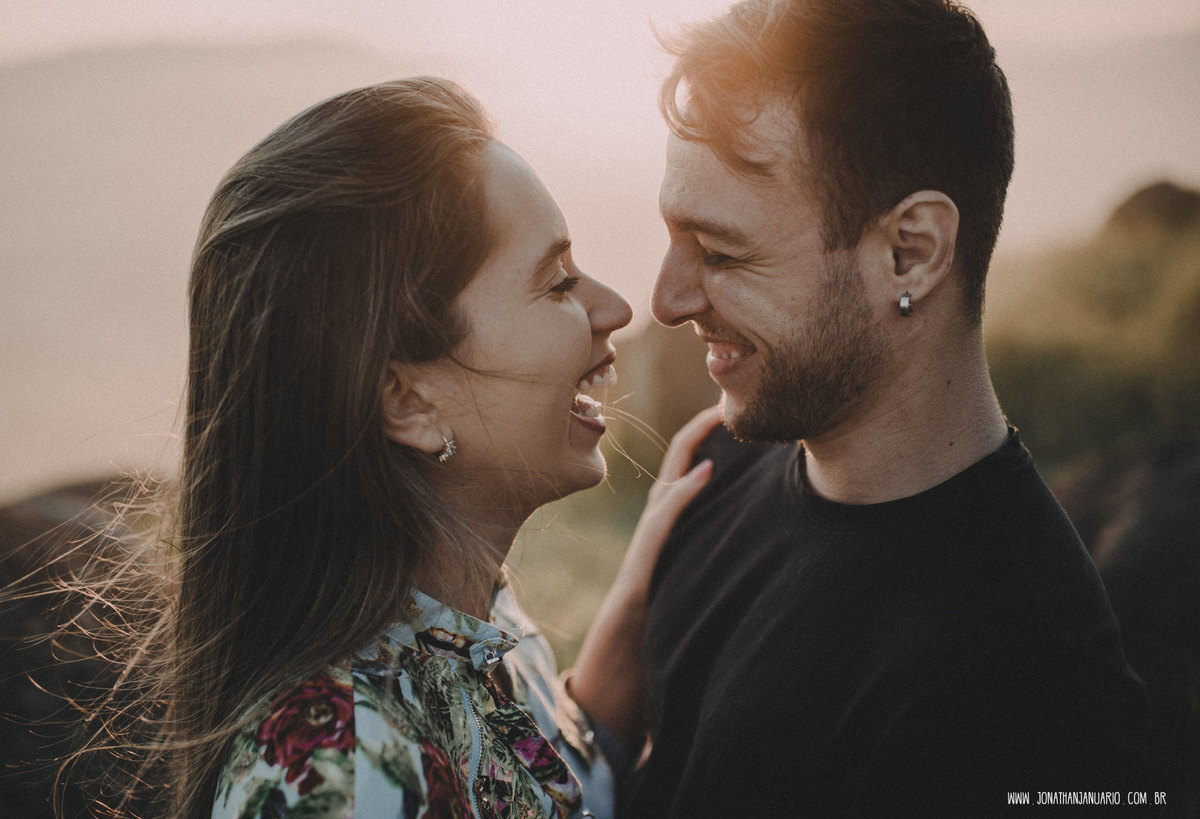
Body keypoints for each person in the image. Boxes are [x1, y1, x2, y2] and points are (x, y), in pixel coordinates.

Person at [62, 77, 717, 819]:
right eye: (557, 282)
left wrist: (639, 594)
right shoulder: (339, 765)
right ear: (408, 400)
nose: (617, 308)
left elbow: (560, 793)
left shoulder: (478, 631)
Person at [620, 1, 1151, 815]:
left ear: (912, 252)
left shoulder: (1039, 692)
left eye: (722, 252)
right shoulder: (712, 472)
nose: (665, 298)